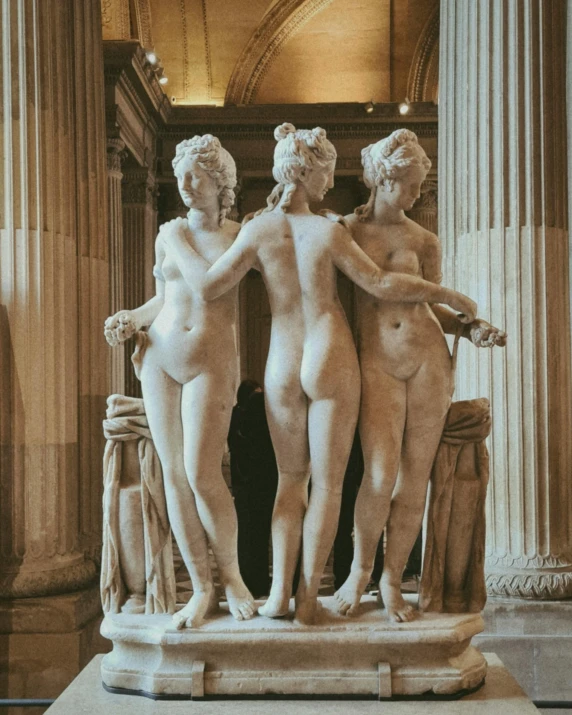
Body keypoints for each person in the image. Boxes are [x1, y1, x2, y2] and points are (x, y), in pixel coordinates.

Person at [159, 123, 477, 624]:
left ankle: (279, 593)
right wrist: (450, 297)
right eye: (327, 170)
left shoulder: (256, 230)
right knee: (328, 486)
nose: (332, 179)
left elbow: (208, 287)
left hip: (283, 358)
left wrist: (177, 239)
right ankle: (309, 600)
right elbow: (379, 282)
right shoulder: (330, 231)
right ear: (310, 172)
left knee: (291, 480)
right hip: (330, 353)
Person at [334, 129, 506, 622]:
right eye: (409, 185)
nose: (415, 195)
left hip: (429, 359)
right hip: (377, 362)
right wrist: (453, 296)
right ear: (384, 179)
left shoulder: (424, 239)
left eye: (417, 186)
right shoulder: (348, 231)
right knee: (379, 474)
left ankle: (392, 581)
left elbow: (433, 308)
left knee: (413, 481)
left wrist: (473, 329)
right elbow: (379, 285)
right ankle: (359, 572)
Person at [104, 135, 255, 629]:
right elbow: (166, 298)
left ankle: (231, 575)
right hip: (159, 358)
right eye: (181, 175)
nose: (185, 185)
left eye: (197, 176)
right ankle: (201, 589)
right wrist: (133, 317)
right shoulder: (167, 233)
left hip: (209, 362)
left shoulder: (238, 235)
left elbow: (206, 285)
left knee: (202, 471)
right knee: (173, 475)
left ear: (221, 181)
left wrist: (175, 240)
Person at [228, 381, 279, 598]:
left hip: (244, 485)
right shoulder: (262, 415)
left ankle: (251, 580)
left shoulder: (234, 416)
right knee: (267, 534)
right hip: (266, 482)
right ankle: (271, 581)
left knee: (248, 537)